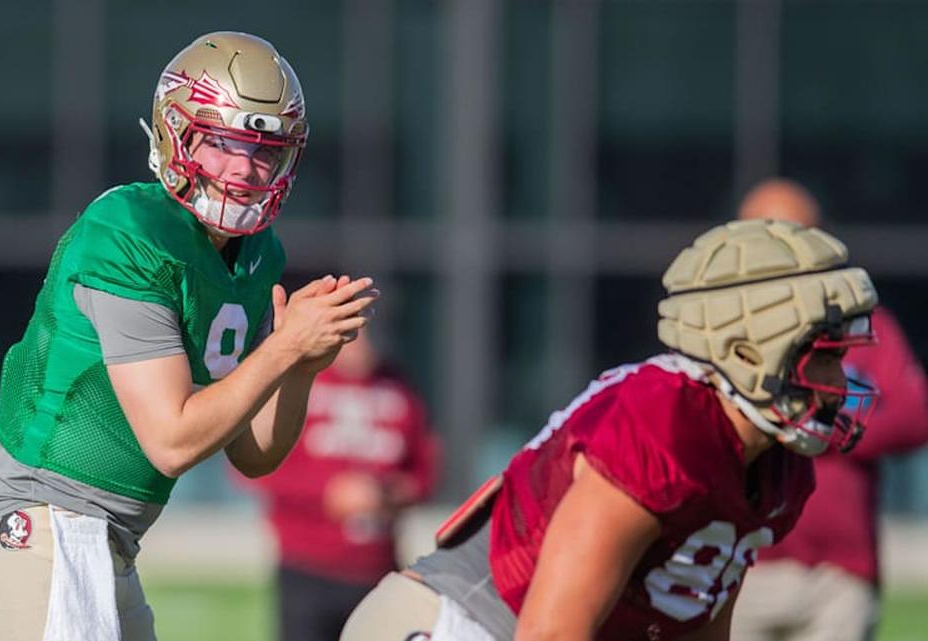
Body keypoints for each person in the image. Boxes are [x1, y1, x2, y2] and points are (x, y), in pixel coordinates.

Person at [0, 32, 378, 641]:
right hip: (41, 521)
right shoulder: (131, 232)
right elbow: (173, 441)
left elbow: (253, 454)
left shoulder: (258, 256)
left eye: (265, 150)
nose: (245, 168)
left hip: (110, 541)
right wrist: (282, 347)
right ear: (177, 134)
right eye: (226, 143)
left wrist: (301, 365)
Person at [340, 219, 880, 641]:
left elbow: (696, 615)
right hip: (461, 619)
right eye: (824, 360)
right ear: (747, 350)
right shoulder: (663, 423)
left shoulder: (778, 464)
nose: (838, 384)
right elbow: (553, 629)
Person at [730, 179, 928, 641]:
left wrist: (817, 428)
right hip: (742, 562)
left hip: (835, 571)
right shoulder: (724, 331)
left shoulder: (862, 322)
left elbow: (912, 413)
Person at [239, 328, 440, 641]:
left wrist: (390, 494)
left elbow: (425, 471)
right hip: (308, 566)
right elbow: (255, 466)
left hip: (377, 568)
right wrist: (328, 492)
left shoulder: (400, 388)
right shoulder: (303, 381)